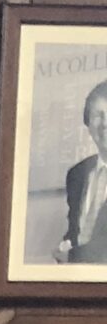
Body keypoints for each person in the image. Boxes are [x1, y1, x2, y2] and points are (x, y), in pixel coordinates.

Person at [55, 80, 107, 265]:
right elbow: (75, 232)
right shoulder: (77, 174)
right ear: (88, 124)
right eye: (98, 115)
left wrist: (71, 256)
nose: (105, 123)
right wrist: (64, 245)